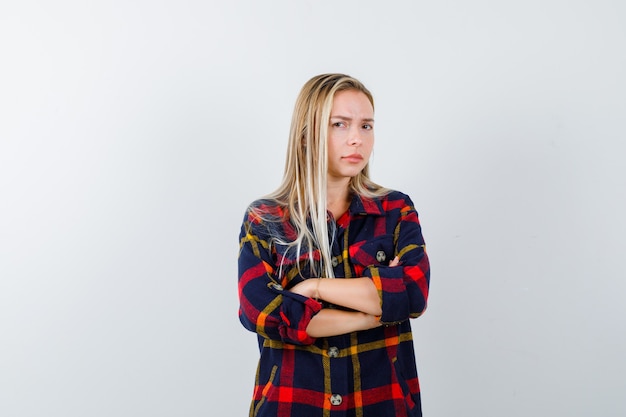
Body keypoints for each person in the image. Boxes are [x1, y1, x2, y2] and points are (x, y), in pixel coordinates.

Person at [237, 73, 430, 417]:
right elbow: (265, 314)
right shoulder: (265, 219)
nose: (356, 139)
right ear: (307, 134)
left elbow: (413, 292)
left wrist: (314, 288)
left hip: (383, 405)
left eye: (366, 126)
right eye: (340, 125)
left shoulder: (395, 210)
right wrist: (371, 314)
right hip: (291, 406)